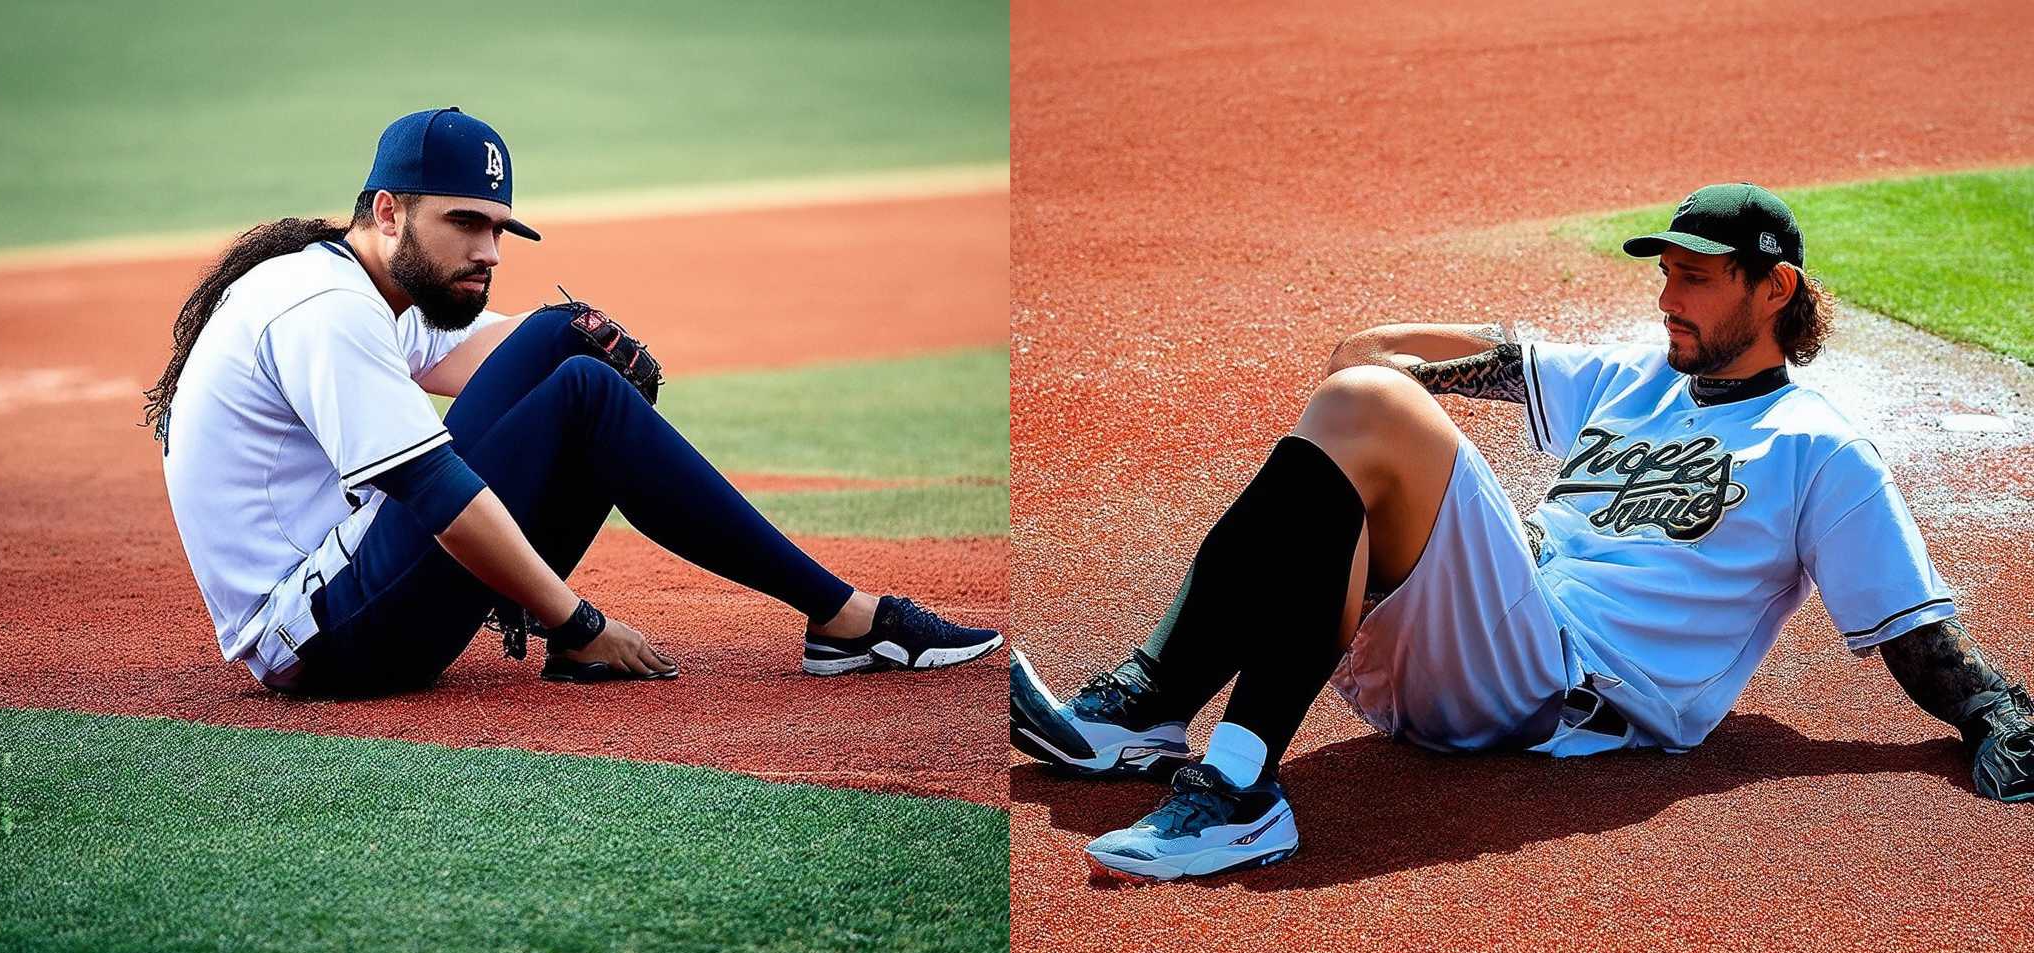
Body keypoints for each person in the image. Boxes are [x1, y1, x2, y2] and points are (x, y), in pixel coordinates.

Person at [1010, 182, 2034, 882]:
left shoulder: (1818, 450)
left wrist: (1989, 711)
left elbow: (1911, 627)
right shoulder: (1635, 377)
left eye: (1697, 278)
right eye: (1665, 272)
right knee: (1355, 417)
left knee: (1369, 408)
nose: (1668, 297)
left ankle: (1236, 786)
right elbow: (1449, 355)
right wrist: (1366, 373)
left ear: (1774, 290)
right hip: (1480, 649)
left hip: (1561, 686)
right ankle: (1142, 711)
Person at [149, 108, 1000, 696]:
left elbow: (479, 358)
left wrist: (575, 329)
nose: (487, 251)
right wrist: (579, 618)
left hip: (356, 584)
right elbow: (436, 495)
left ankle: (838, 622)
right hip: (325, 638)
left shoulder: (349, 283)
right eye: (464, 225)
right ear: (388, 212)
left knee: (573, 346)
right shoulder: (325, 312)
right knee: (585, 391)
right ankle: (846, 619)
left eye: (498, 230)